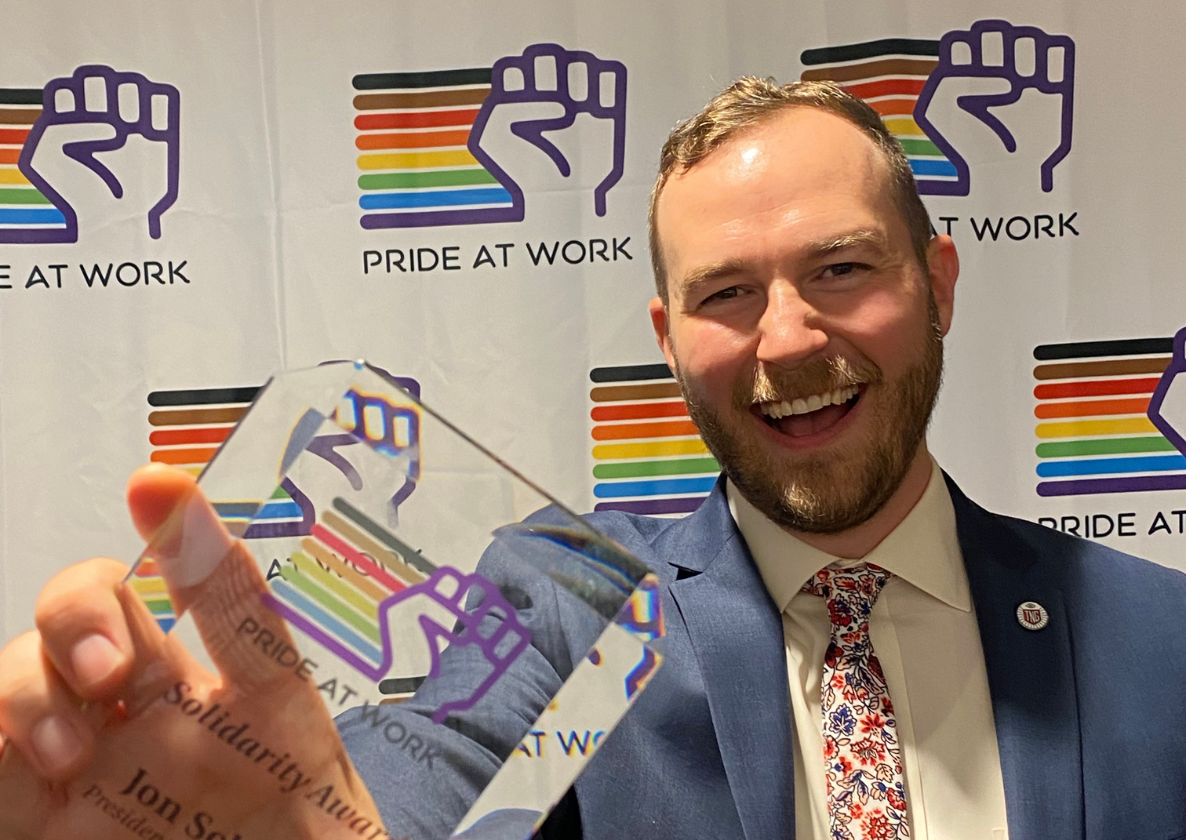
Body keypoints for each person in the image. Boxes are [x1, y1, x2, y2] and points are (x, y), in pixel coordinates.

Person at [0, 77, 1183, 840]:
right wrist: (323, 823)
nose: (785, 339)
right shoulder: (569, 602)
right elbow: (434, 763)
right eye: (726, 294)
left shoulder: (1162, 638)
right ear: (668, 341)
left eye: (840, 269)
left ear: (938, 283)